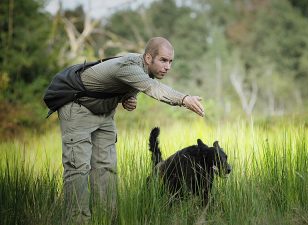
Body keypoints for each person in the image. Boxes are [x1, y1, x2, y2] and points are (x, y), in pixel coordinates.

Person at [57, 37, 204, 224]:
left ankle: (106, 220)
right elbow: (153, 88)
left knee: (106, 169)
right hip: (77, 108)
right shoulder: (129, 66)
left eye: (170, 61)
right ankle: (76, 221)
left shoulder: (144, 70)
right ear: (149, 58)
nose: (168, 66)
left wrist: (126, 98)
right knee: (78, 168)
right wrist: (184, 98)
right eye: (163, 60)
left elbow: (121, 86)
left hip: (104, 113)